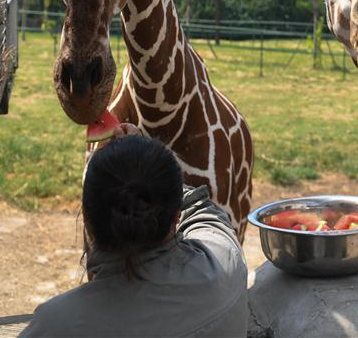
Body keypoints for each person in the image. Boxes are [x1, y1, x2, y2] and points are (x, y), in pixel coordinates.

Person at [21, 125, 248, 337]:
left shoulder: (54, 324)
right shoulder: (225, 264)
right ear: (176, 215)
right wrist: (149, 168)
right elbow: (204, 212)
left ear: (86, 219)